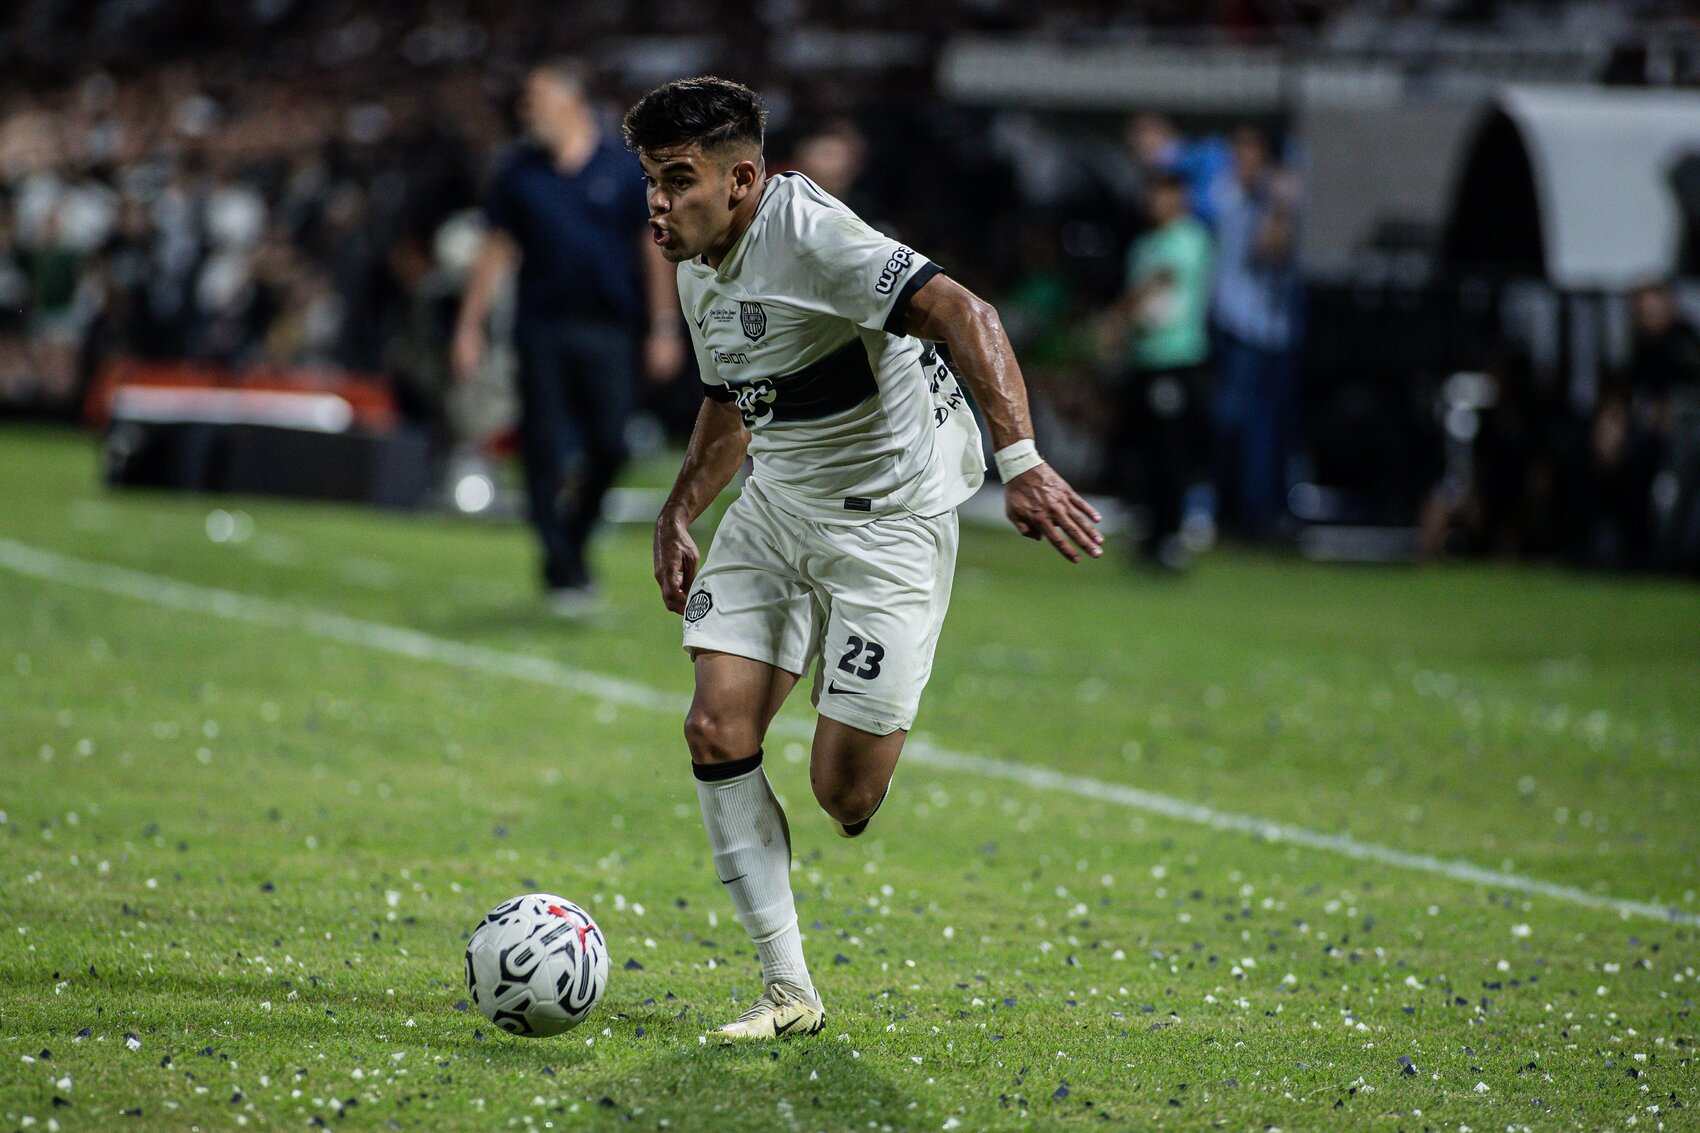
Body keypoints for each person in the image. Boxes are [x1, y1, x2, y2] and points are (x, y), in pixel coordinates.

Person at [622, 76, 1102, 1040]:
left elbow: (969, 314)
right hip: (777, 508)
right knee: (716, 727)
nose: (658, 205)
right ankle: (787, 989)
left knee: (843, 792)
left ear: (743, 180)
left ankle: (860, 698)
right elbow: (732, 399)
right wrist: (679, 509)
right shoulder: (696, 259)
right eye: (651, 182)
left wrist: (1022, 463)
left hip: (889, 525)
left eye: (677, 180)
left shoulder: (811, 238)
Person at [452, 60, 683, 613]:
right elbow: (496, 248)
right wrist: (469, 326)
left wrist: (664, 325)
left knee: (611, 443)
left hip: (611, 327)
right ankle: (559, 564)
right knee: (542, 446)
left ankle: (573, 539)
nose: (526, 112)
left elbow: (651, 247)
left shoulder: (623, 167)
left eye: (536, 101)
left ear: (572, 103)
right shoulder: (517, 170)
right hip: (542, 328)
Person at [1108, 170, 1214, 569]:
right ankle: (1150, 534)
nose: (1157, 203)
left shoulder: (1190, 238)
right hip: (1145, 358)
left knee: (1172, 453)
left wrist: (1116, 319)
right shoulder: (1144, 244)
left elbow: (1159, 282)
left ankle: (1172, 536)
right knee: (1146, 451)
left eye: (1166, 195)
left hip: (1177, 359)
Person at [1209, 127, 1301, 540]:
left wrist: (1279, 204)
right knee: (1229, 424)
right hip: (1231, 323)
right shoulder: (1229, 194)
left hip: (1261, 330)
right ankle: (1231, 511)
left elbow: (1271, 250)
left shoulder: (1276, 200)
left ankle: (1255, 515)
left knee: (1256, 428)